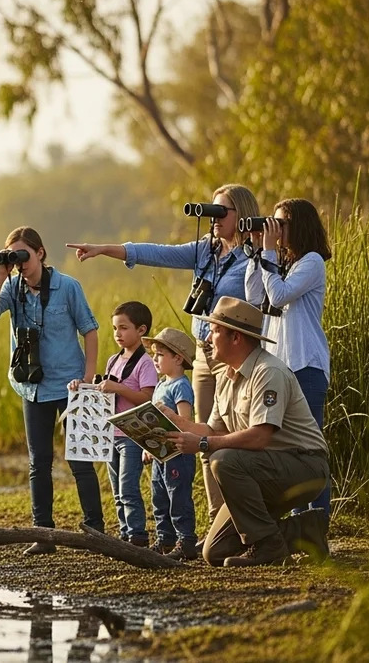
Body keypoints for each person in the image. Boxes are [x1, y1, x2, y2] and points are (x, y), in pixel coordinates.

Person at [67, 184, 263, 529]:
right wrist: (103, 249)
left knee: (234, 436)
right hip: (203, 354)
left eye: (221, 212)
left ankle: (245, 519)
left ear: (242, 215)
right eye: (211, 211)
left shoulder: (254, 258)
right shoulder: (205, 251)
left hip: (234, 356)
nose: (214, 219)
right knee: (204, 438)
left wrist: (262, 247)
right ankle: (217, 522)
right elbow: (156, 253)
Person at [161, 297, 331, 567]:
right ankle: (304, 530)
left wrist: (202, 444)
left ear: (236, 337)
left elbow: (259, 437)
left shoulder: (268, 372)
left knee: (223, 460)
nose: (208, 338)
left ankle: (268, 546)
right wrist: (173, 420)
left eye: (215, 331)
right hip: (262, 469)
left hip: (304, 467)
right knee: (215, 552)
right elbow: (213, 430)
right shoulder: (226, 377)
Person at [0, 226, 100, 555]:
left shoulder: (67, 287)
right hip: (31, 386)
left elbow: (90, 331)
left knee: (80, 460)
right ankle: (43, 534)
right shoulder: (12, 286)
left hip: (71, 383)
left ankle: (95, 532)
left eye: (24, 255)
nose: (20, 263)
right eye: (14, 256)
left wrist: (88, 378)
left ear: (41, 253)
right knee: (39, 462)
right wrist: (1, 273)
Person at [245, 198, 333, 514]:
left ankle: (315, 522)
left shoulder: (312, 262)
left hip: (305, 365)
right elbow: (254, 296)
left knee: (308, 449)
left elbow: (279, 295)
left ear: (299, 226)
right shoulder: (283, 264)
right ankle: (296, 519)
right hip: (279, 367)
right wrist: (258, 251)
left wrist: (269, 252)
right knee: (283, 449)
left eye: (280, 224)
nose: (276, 229)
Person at [71, 301, 156, 546]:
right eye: (115, 328)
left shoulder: (145, 362)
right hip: (111, 434)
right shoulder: (113, 360)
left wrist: (118, 388)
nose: (118, 333)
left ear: (141, 330)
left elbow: (147, 399)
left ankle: (137, 535)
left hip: (132, 435)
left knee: (128, 487)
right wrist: (79, 387)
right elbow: (103, 393)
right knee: (117, 491)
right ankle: (124, 534)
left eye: (124, 328)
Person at [141, 327, 199, 559]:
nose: (155, 359)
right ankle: (165, 538)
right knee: (159, 495)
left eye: (160, 354)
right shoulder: (160, 385)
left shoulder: (180, 385)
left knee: (178, 496)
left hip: (178, 453)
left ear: (178, 358)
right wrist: (148, 446)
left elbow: (185, 420)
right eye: (154, 354)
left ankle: (186, 540)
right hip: (160, 453)